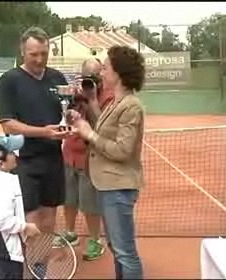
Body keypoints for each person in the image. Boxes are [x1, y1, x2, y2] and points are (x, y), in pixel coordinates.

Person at [67, 45, 146, 279]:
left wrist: (88, 133)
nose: (102, 73)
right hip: (107, 185)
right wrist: (90, 105)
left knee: (125, 252)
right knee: (116, 248)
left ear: (119, 72)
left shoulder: (131, 105)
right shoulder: (116, 103)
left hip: (119, 187)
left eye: (106, 68)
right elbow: (105, 127)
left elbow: (122, 149)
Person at [0, 26, 69, 234]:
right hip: (24, 160)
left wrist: (71, 119)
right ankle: (30, 264)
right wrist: (45, 132)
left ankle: (41, 264)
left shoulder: (57, 78)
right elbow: (8, 124)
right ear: (22, 52)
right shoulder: (9, 81)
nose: (39, 59)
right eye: (33, 54)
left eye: (43, 54)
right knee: (30, 219)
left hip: (53, 158)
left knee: (49, 218)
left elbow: (66, 112)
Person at [53, 58, 113, 261]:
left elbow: (103, 126)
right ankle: (70, 233)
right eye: (88, 76)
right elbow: (66, 117)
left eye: (96, 76)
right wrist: (71, 102)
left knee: (89, 204)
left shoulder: (107, 96)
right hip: (69, 152)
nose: (92, 81)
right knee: (68, 199)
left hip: (90, 157)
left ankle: (95, 240)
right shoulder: (76, 92)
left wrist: (91, 99)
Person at [0, 134, 41, 279]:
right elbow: (2, 220)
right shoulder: (2, 185)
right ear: (1, 164)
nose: (15, 155)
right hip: (5, 249)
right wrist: (25, 227)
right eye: (11, 152)